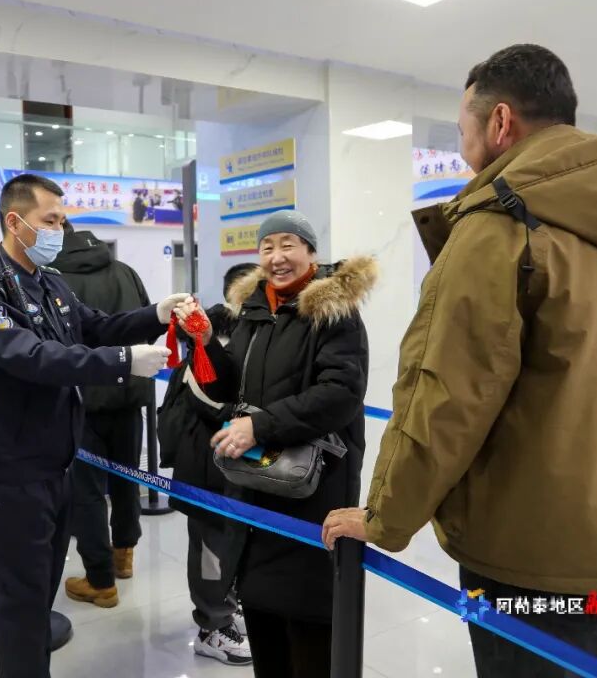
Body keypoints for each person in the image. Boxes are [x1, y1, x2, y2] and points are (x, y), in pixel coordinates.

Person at [322, 44, 597, 678]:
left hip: (537, 554)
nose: (464, 148)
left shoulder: (500, 226)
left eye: (463, 130)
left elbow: (447, 394)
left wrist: (385, 518)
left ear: (500, 122)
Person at [0, 173, 189, 678]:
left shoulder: (48, 282)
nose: (60, 230)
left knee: (40, 589)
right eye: (50, 220)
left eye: (62, 220)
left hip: (57, 465)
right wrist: (124, 362)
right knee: (21, 602)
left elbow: (97, 325)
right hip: (11, 476)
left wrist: (156, 314)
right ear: (15, 222)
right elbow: (34, 357)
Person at [174, 210, 375, 678]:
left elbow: (340, 394)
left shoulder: (335, 311)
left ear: (310, 252)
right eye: (267, 247)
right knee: (262, 609)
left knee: (307, 619)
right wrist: (206, 343)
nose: (277, 256)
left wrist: (259, 427)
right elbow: (229, 386)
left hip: (312, 485)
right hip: (256, 482)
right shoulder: (255, 310)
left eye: (288, 244)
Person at [159, 262, 256, 666]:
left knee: (232, 544)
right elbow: (215, 402)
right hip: (206, 467)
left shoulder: (252, 333)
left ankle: (226, 608)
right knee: (211, 551)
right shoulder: (212, 337)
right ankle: (211, 627)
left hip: (231, 465)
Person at [50, 223, 151, 609]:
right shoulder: (125, 271)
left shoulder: (52, 281)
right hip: (129, 392)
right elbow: (146, 326)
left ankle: (100, 579)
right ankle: (124, 556)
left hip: (81, 400)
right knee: (127, 478)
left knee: (87, 491)